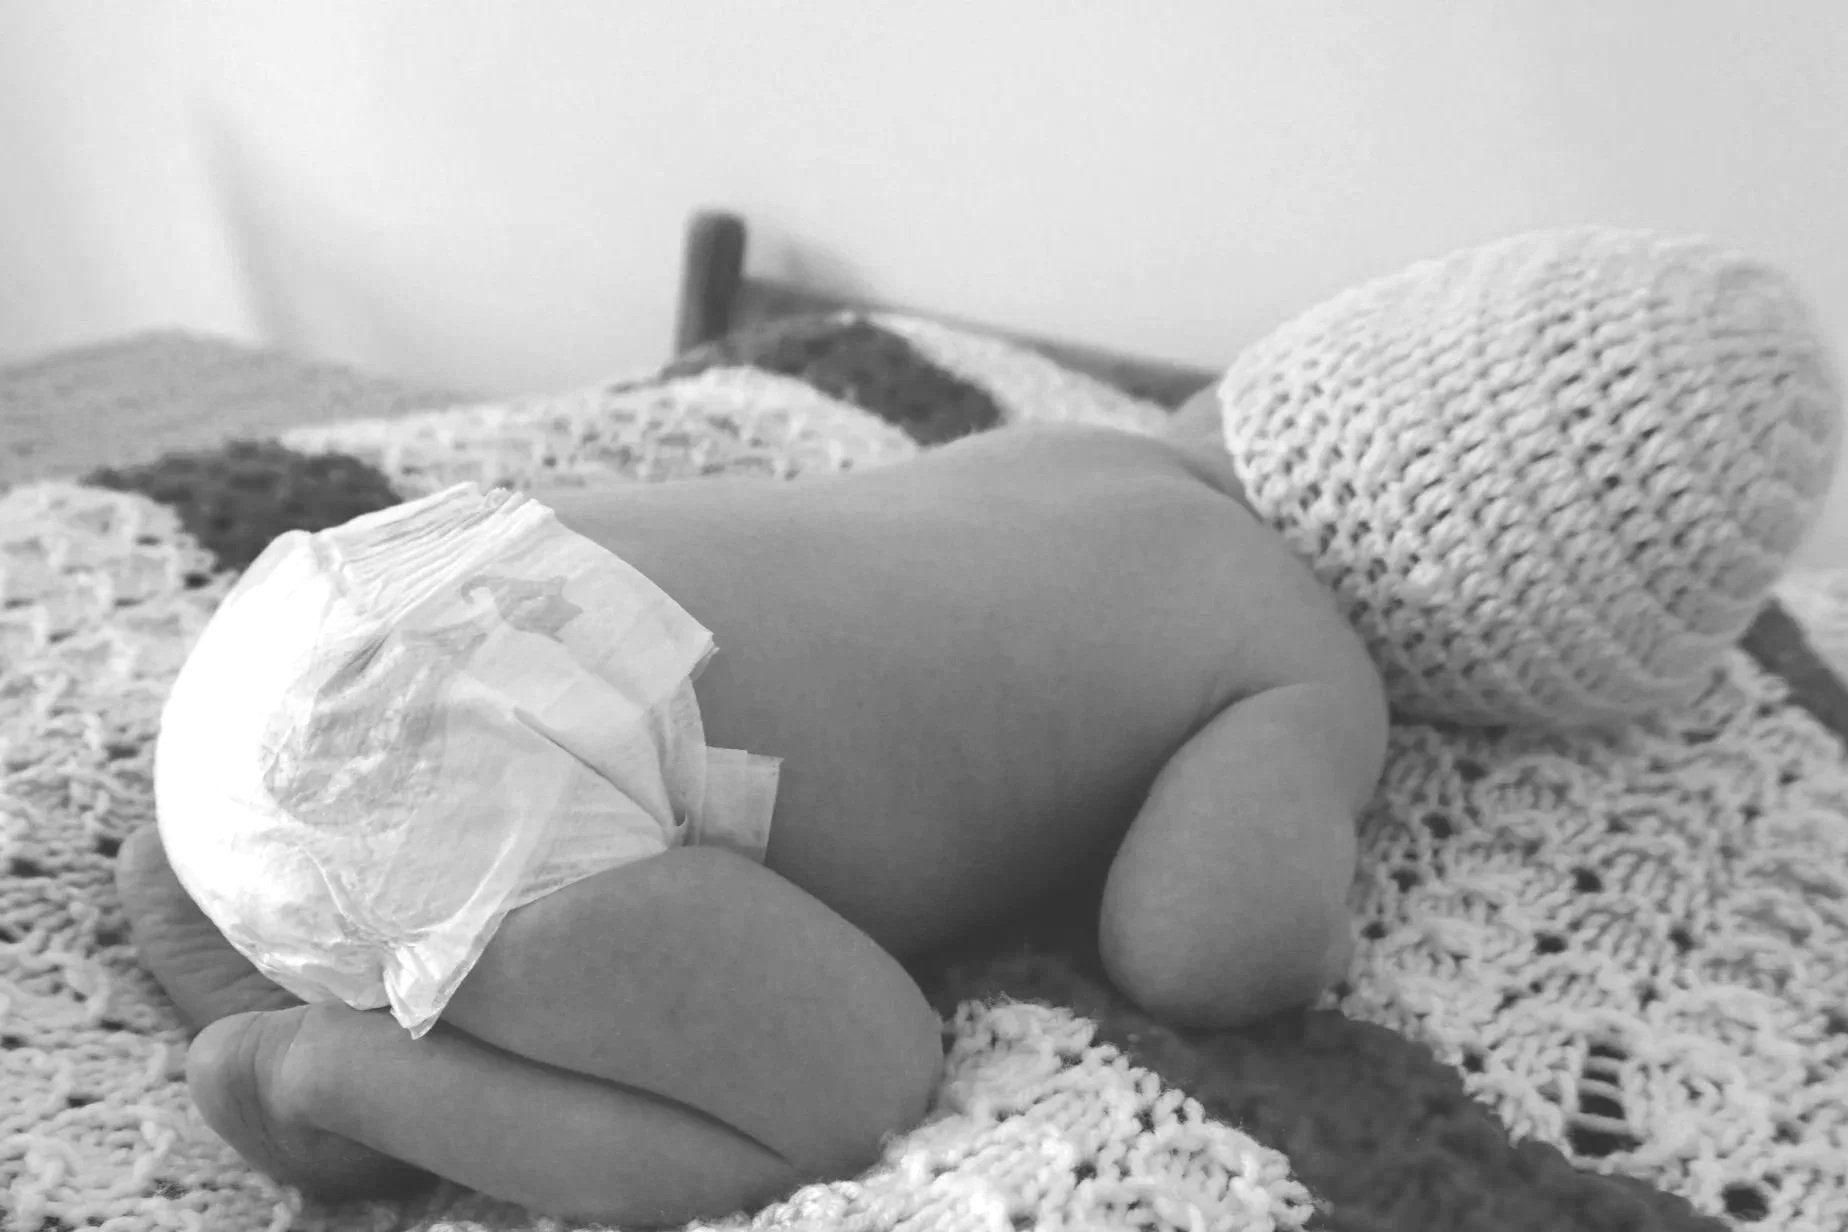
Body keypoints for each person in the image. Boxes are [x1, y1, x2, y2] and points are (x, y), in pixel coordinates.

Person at [116, 414, 1387, 1228]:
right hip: (523, 781)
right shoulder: (1303, 641)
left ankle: (207, 880)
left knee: (337, 828)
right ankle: (315, 1066)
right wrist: (1315, 924)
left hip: (317, 622)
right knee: (858, 1089)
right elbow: (1204, 949)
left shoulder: (1077, 445)